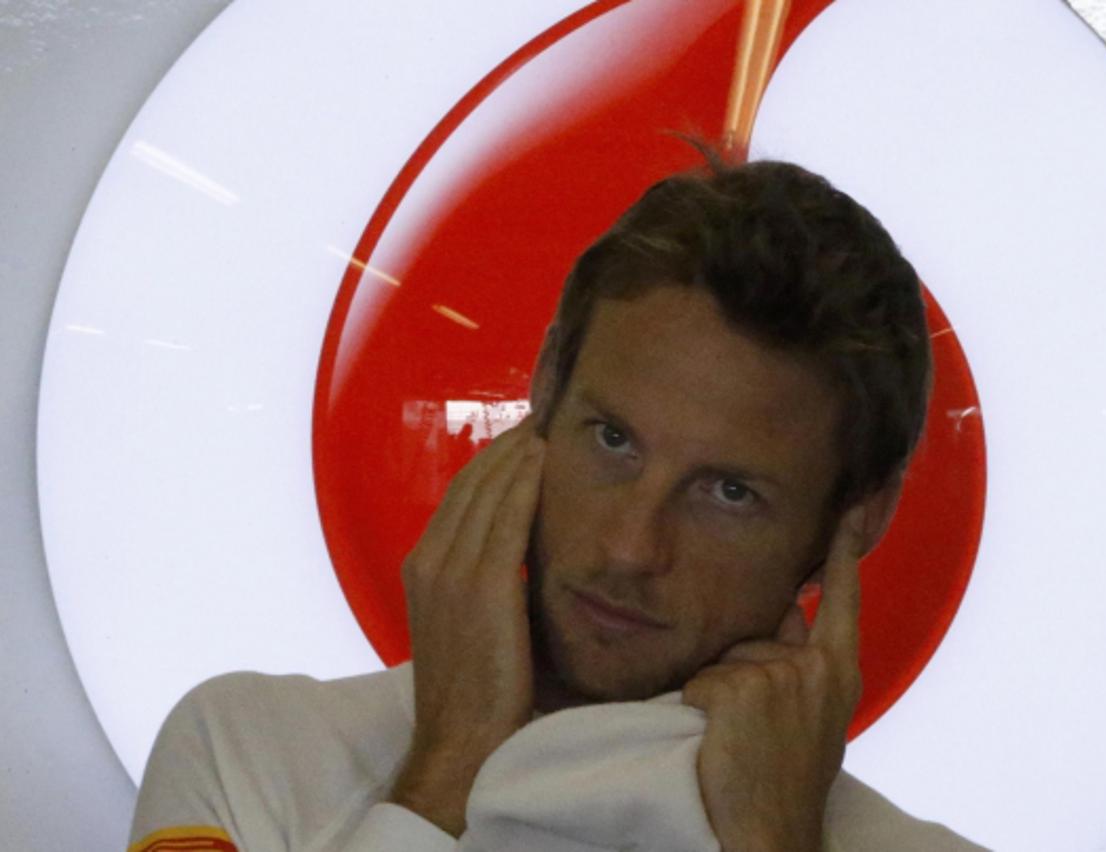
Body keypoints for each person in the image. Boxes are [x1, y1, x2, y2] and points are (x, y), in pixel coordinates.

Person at [128, 157, 984, 851]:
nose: (628, 548)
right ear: (542, 393)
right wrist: (446, 773)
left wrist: (773, 841)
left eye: (729, 492)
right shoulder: (246, 747)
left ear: (855, 520)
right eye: (612, 440)